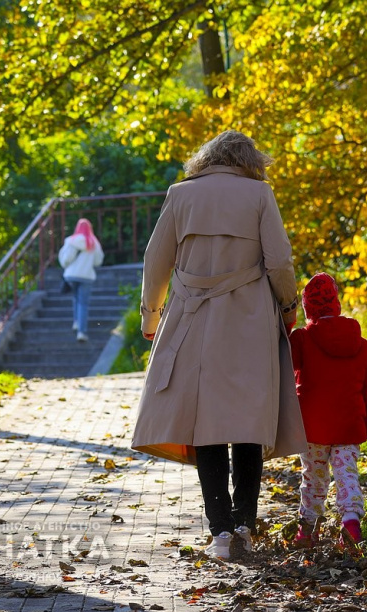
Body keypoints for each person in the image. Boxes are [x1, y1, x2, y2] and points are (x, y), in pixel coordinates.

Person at [131, 130, 307, 560]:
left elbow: (156, 260)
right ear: (250, 160)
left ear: (206, 159)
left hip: (192, 319)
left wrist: (151, 317)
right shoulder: (259, 195)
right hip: (249, 321)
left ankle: (221, 533)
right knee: (247, 424)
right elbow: (279, 261)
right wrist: (289, 308)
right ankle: (245, 524)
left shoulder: (181, 194)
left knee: (204, 427)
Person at [289, 273, 367, 552]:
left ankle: (307, 531)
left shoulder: (302, 339)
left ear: (308, 309)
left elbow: (285, 372)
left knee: (313, 478)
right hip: (349, 426)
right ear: (336, 305)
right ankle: (351, 524)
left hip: (313, 427)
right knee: (347, 475)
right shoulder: (362, 346)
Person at [58, 218, 104, 342]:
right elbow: (98, 261)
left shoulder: (71, 240)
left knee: (76, 299)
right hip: (87, 276)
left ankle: (76, 322)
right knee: (83, 303)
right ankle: (81, 332)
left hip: (71, 276)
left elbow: (66, 259)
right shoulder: (94, 242)